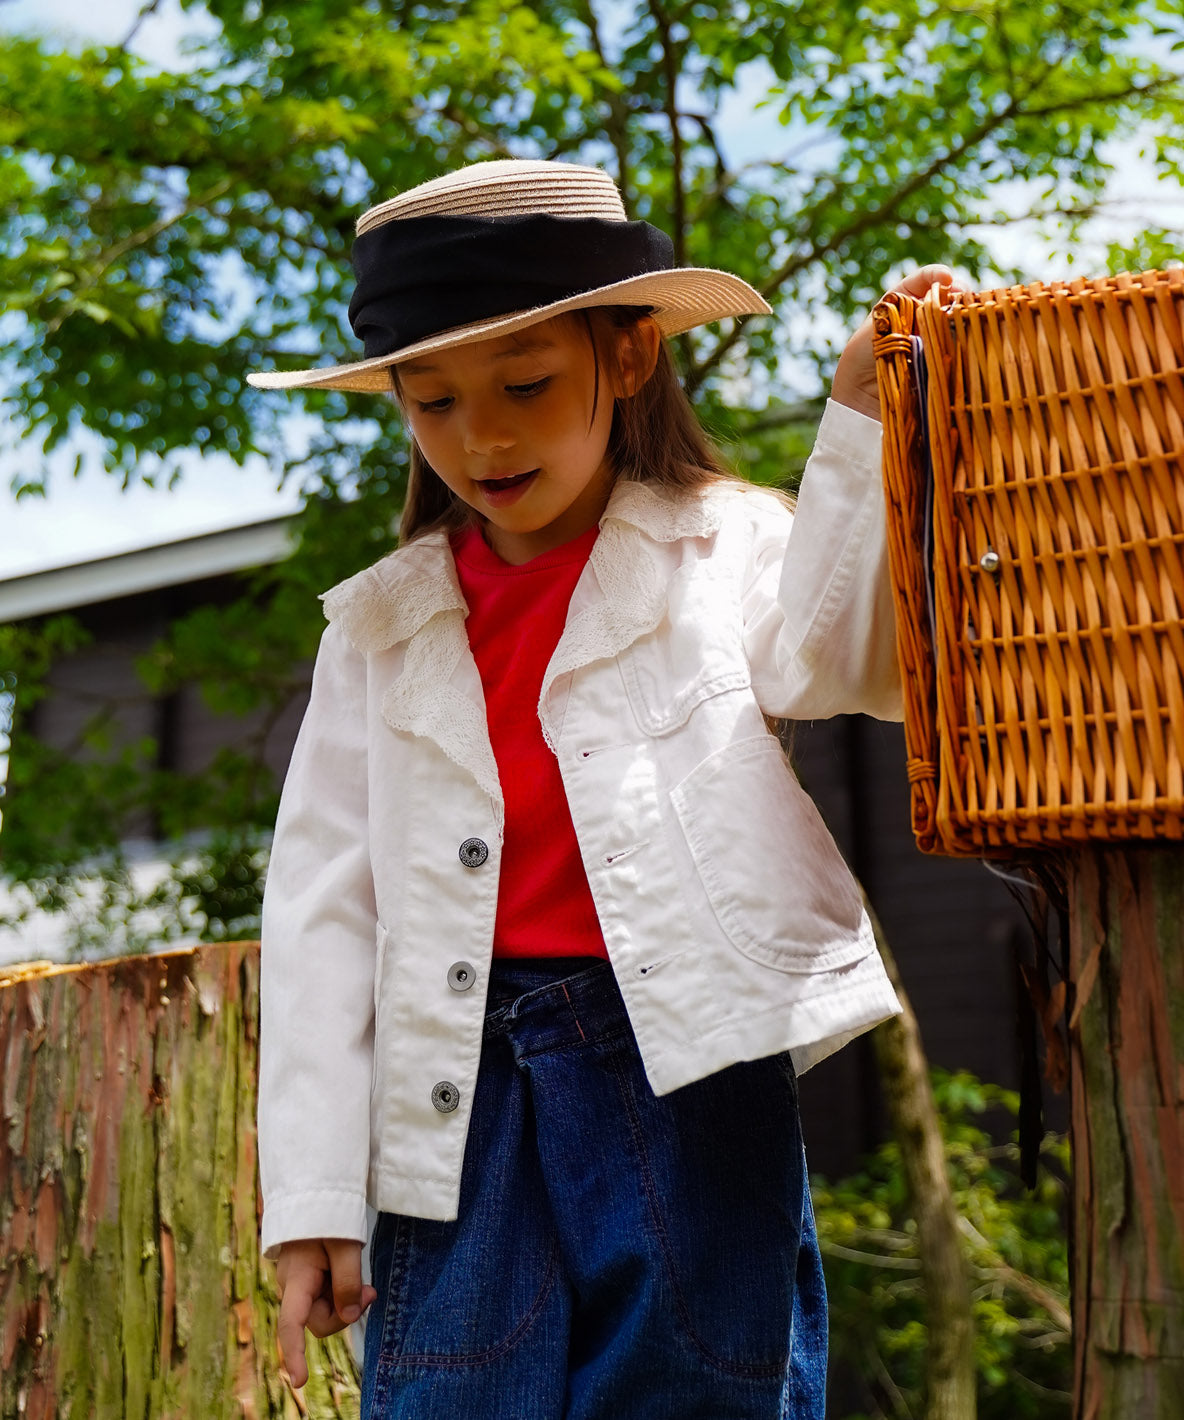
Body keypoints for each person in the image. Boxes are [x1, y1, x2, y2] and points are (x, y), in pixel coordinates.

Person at [248, 157, 953, 1419]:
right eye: (434, 403)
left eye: (524, 385)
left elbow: (843, 659)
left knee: (698, 1385)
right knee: (452, 1392)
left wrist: (861, 424)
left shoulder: (720, 540)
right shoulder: (378, 630)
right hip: (452, 1083)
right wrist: (309, 1202)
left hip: (679, 1059)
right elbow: (319, 912)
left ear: (626, 358)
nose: (484, 436)